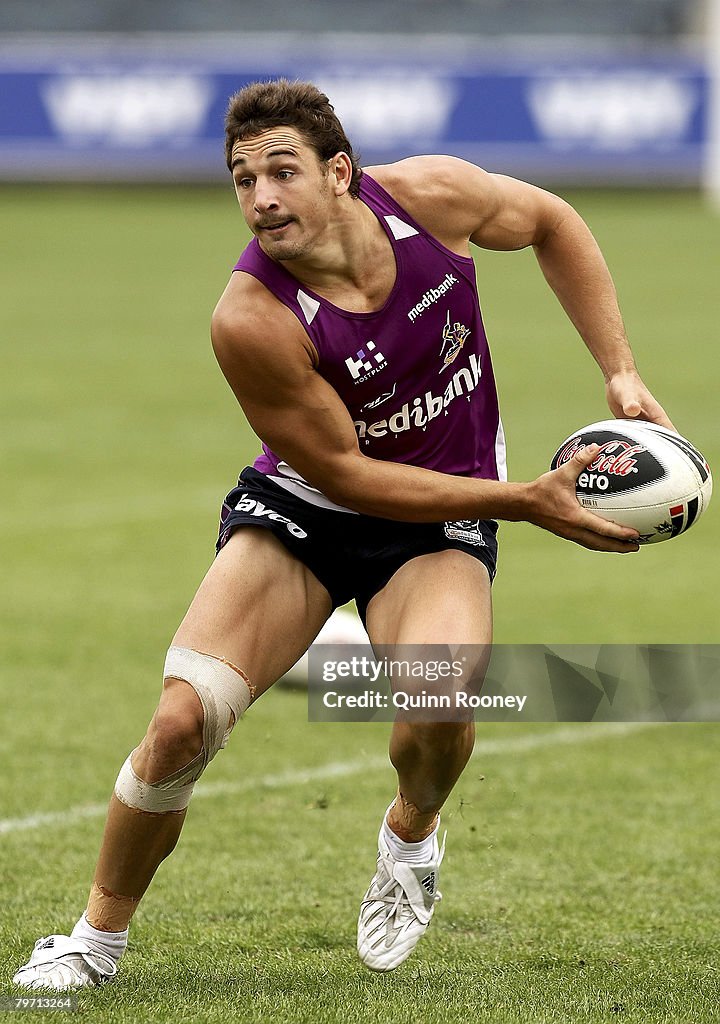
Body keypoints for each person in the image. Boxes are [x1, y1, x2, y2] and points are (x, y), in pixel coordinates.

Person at [13, 78, 673, 989]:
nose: (261, 197)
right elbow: (346, 476)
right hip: (309, 514)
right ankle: (94, 939)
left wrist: (621, 372)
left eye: (281, 171)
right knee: (178, 724)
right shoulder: (251, 319)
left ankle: (410, 833)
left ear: (341, 172)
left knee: (438, 709)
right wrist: (521, 499)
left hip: (441, 514)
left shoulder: (430, 200)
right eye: (242, 180)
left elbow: (554, 221)